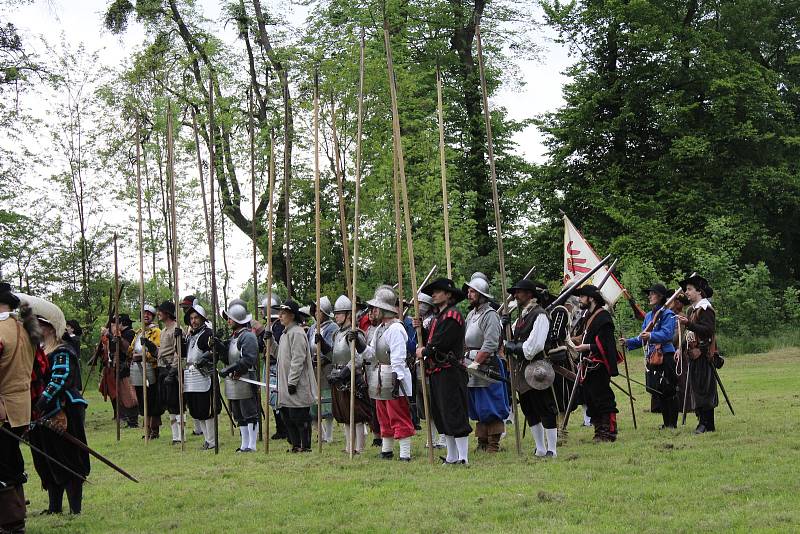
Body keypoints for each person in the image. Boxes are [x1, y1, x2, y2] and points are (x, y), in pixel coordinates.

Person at [29, 298, 90, 515]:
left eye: (39, 323)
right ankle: (54, 507)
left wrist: (42, 400)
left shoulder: (62, 351)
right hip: (39, 413)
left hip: (62, 410)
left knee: (67, 459)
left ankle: (75, 509)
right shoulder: (39, 350)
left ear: (49, 327)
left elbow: (60, 378)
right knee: (45, 460)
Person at [349, 286, 414, 461]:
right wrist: (360, 344)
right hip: (379, 375)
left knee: (398, 415)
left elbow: (399, 358)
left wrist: (397, 380)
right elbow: (372, 353)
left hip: (393, 376)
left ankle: (405, 454)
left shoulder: (396, 329)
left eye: (375, 308)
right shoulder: (380, 329)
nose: (372, 311)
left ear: (385, 309)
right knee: (383, 416)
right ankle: (387, 450)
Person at [416, 278, 470, 465]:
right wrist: (420, 331)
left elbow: (439, 343)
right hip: (439, 371)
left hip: (451, 371)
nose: (433, 295)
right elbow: (431, 338)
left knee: (454, 412)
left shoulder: (452, 316)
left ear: (448, 294)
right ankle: (451, 456)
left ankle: (463, 457)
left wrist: (424, 351)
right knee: (442, 414)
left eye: (438, 291)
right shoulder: (440, 316)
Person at [504, 278, 559, 457]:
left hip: (537, 367)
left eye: (519, 292)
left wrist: (515, 348)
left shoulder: (539, 314)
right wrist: (505, 326)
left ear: (529, 294)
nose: (515, 295)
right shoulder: (522, 316)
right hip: (521, 369)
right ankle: (540, 448)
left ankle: (552, 448)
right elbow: (510, 341)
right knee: (529, 409)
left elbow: (534, 346)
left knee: (544, 408)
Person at [0, 283, 37, 532]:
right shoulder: (25, 328)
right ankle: (15, 516)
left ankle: (11, 521)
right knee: (10, 460)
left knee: (2, 466)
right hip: (21, 408)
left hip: (2, 409)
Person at [462, 273, 508, 453]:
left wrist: (478, 361)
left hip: (488, 365)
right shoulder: (471, 314)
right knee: (478, 405)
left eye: (473, 292)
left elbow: (490, 342)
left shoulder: (490, 315)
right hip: (471, 363)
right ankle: (482, 441)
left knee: (491, 405)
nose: (469, 294)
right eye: (469, 291)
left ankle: (493, 444)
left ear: (481, 295)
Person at [623, 284, 678, 429]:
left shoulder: (668, 314)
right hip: (653, 356)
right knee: (659, 390)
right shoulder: (648, 316)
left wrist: (652, 335)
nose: (649, 296)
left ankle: (672, 423)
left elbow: (667, 334)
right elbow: (643, 337)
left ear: (660, 296)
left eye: (652, 293)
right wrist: (629, 342)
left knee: (669, 389)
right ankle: (667, 423)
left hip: (666, 354)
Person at [572, 285, 620, 442]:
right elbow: (587, 336)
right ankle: (599, 431)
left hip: (598, 364)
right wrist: (574, 341)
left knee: (602, 398)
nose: (579, 299)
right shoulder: (588, 316)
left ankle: (608, 432)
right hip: (588, 365)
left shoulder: (603, 317)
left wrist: (588, 347)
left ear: (590, 298)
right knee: (591, 399)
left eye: (582, 296)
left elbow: (606, 344)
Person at [272, 299, 317, 452]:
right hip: (285, 383)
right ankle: (295, 445)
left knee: (300, 418)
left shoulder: (297, 333)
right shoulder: (286, 334)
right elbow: (279, 355)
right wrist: (270, 341)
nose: (280, 316)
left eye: (283, 313)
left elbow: (298, 359)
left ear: (292, 315)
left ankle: (305, 446)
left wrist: (292, 382)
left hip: (296, 383)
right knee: (288, 417)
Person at [328, 295, 371, 454]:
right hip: (339, 375)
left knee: (357, 415)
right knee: (344, 414)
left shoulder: (355, 334)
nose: (336, 316)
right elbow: (336, 354)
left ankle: (359, 448)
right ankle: (349, 447)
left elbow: (358, 358)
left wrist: (344, 372)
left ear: (348, 314)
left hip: (352, 377)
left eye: (340, 313)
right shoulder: (337, 334)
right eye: (336, 313)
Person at [218, 300, 260, 452]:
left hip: (246, 378)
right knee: (239, 413)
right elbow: (228, 357)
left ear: (237, 319)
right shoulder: (234, 336)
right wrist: (219, 347)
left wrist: (232, 369)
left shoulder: (247, 336)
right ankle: (244, 444)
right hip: (234, 380)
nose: (228, 321)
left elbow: (249, 359)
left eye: (230, 318)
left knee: (249, 412)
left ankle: (252, 445)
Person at [678, 274, 718, 434]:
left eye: (689, 289)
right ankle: (704, 422)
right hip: (693, 354)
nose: (686, 292)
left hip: (703, 354)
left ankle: (706, 423)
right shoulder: (692, 310)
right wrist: (679, 349)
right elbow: (689, 334)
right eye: (686, 289)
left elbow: (708, 331)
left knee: (704, 390)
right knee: (697, 389)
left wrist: (689, 324)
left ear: (699, 291)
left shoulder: (706, 309)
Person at [412, 292, 446, 449]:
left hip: (432, 365)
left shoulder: (434, 321)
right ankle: (430, 438)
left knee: (438, 404)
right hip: (420, 366)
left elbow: (432, 342)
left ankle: (443, 438)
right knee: (427, 406)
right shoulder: (420, 322)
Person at [183, 301, 219, 450]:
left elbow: (214, 353)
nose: (193, 321)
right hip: (192, 377)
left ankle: (212, 441)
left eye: (196, 317)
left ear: (203, 318)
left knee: (207, 410)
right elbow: (183, 354)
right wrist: (180, 339)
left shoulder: (208, 334)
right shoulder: (191, 336)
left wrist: (208, 356)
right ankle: (207, 440)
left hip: (205, 376)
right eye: (191, 318)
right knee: (198, 411)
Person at [255, 296, 288, 441]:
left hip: (275, 364)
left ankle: (283, 429)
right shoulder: (272, 325)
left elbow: (279, 348)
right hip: (269, 364)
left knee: (277, 398)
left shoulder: (279, 326)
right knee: (272, 398)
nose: (262, 312)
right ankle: (280, 428)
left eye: (263, 310)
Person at [151, 301, 184, 445]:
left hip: (172, 369)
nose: (158, 313)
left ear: (168, 313)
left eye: (160, 311)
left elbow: (179, 352)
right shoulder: (164, 331)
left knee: (177, 403)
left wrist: (174, 370)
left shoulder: (176, 329)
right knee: (169, 403)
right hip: (163, 368)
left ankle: (180, 436)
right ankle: (174, 436)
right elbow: (162, 352)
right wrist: (152, 348)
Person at [307, 296, 337, 444]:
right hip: (314, 369)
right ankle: (321, 433)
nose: (316, 313)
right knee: (314, 403)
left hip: (326, 368)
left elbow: (333, 350)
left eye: (319, 311)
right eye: (315, 310)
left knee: (327, 403)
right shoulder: (313, 328)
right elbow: (308, 346)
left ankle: (329, 434)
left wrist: (323, 359)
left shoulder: (332, 328)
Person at [130, 304, 162, 439]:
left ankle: (153, 429)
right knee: (142, 400)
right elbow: (132, 348)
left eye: (148, 314)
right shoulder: (138, 332)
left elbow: (157, 351)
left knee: (152, 400)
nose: (146, 316)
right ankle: (146, 429)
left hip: (151, 369)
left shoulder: (156, 332)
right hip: (137, 369)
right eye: (143, 313)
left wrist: (144, 356)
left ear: (152, 316)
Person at [179, 294, 204, 437]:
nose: (185, 310)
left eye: (187, 307)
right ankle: (197, 428)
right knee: (192, 401)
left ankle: (206, 432)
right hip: (190, 369)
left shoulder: (205, 327)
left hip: (202, 369)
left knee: (203, 403)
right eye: (184, 308)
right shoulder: (188, 329)